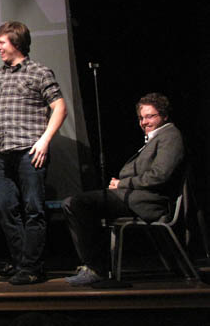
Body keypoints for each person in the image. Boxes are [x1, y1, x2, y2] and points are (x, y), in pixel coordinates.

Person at [62, 93, 184, 286]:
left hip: (146, 203)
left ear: (164, 116)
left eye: (150, 116)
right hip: (132, 196)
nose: (145, 122)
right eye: (142, 118)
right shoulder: (154, 138)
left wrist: (122, 184)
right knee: (74, 203)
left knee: (78, 203)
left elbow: (160, 175)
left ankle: (96, 267)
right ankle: (95, 263)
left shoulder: (170, 136)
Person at [0, 21, 67, 285]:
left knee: (33, 208)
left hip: (31, 151)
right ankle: (24, 264)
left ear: (16, 42)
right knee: (4, 207)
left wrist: (44, 140)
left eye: (2, 42)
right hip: (3, 154)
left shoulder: (39, 72)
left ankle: (31, 266)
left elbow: (60, 106)